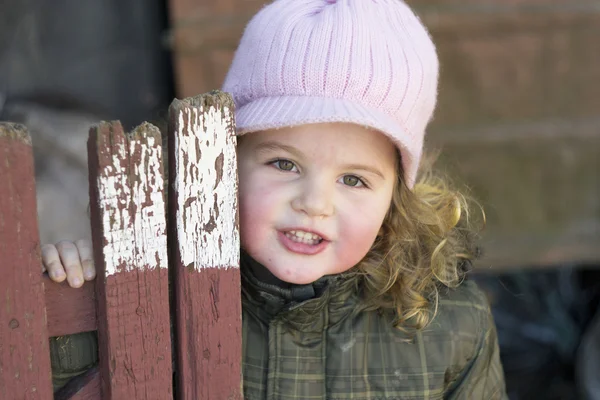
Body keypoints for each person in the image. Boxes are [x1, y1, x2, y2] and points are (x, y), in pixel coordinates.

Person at [43, 0, 507, 398]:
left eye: (355, 180)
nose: (315, 203)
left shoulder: (450, 326)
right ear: (225, 160)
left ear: (395, 197)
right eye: (284, 164)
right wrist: (74, 288)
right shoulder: (149, 293)